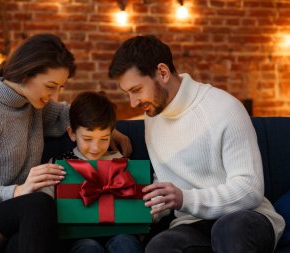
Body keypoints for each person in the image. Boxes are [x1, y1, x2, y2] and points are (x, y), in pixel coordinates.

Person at [0, 34, 131, 253]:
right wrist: (18, 191)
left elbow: (72, 114)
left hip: (19, 224)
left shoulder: (34, 106)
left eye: (61, 87)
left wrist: (110, 130)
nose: (55, 96)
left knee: (36, 232)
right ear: (26, 75)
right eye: (50, 86)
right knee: (38, 202)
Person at [108, 35, 285, 253]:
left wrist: (185, 198)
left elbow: (249, 190)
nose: (133, 103)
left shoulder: (224, 108)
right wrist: (143, 208)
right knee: (159, 246)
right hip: (191, 224)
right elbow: (168, 180)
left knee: (228, 229)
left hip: (246, 218)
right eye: (128, 94)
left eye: (136, 90)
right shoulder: (153, 118)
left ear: (162, 73)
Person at [50, 91, 144, 253]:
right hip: (78, 237)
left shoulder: (120, 162)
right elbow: (43, 201)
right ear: (72, 134)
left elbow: (139, 199)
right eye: (87, 139)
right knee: (88, 247)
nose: (95, 148)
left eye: (104, 139)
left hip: (120, 232)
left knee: (125, 243)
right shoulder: (60, 165)